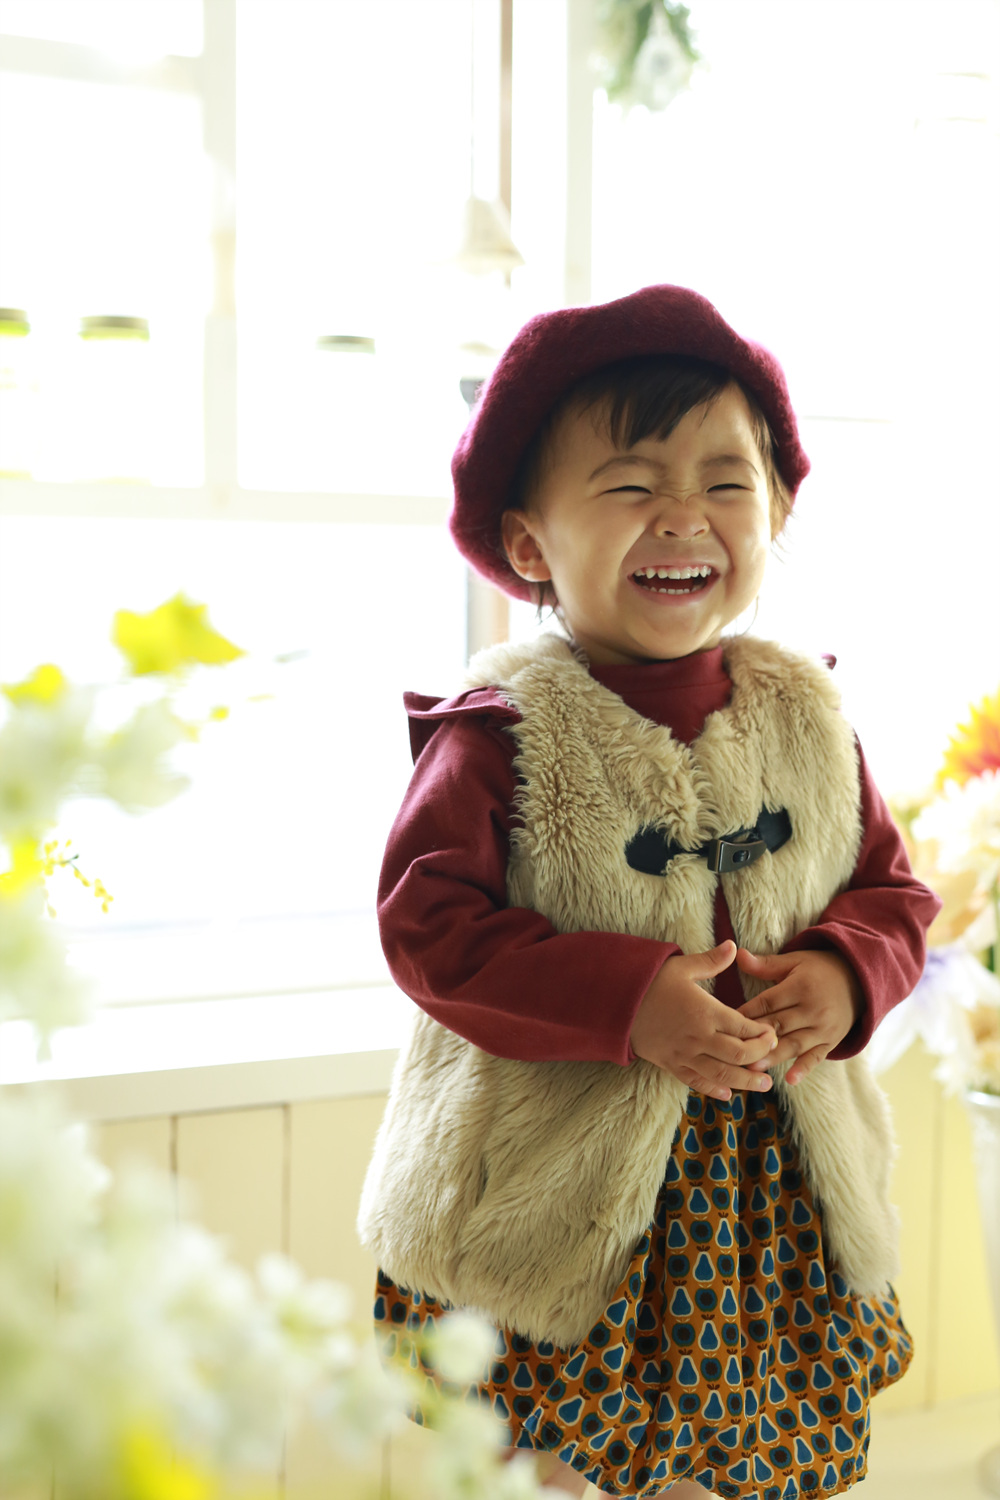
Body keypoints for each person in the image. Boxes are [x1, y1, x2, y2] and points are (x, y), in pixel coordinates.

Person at [359, 285, 940, 1499]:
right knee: (548, 1462)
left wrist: (842, 973)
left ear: (776, 512)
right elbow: (431, 929)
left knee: (731, 1460)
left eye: (725, 483)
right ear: (530, 546)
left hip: (762, 1202)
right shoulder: (499, 731)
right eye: (630, 485)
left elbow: (890, 891)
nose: (684, 516)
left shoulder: (809, 719)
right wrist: (629, 997)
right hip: (556, 1196)